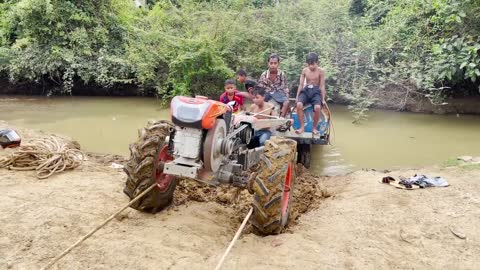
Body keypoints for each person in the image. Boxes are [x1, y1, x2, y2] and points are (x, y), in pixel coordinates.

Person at [295, 52, 327, 134]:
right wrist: (297, 96)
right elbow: (301, 84)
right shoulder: (304, 70)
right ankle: (302, 127)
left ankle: (314, 128)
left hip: (316, 91)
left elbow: (322, 86)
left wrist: (323, 99)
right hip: (306, 90)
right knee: (299, 104)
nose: (311, 66)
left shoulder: (321, 71)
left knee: (317, 107)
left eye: (313, 64)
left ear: (317, 62)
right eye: (309, 64)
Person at [257, 53, 290, 117]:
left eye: (275, 63)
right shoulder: (264, 74)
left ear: (278, 64)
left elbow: (285, 88)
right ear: (268, 63)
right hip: (267, 94)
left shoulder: (281, 74)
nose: (273, 65)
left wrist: (286, 98)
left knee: (287, 103)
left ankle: (281, 120)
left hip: (278, 93)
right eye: (271, 63)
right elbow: (260, 88)